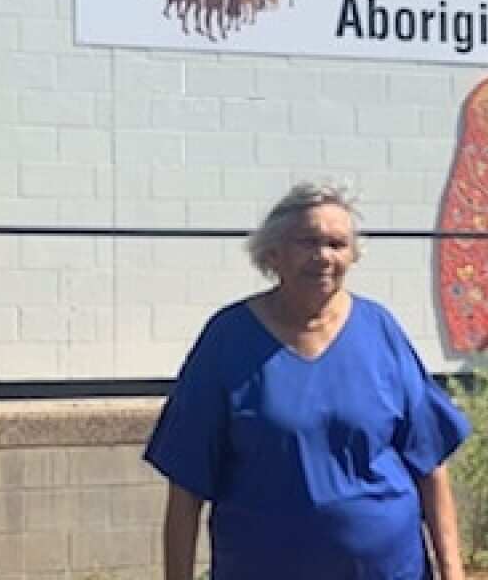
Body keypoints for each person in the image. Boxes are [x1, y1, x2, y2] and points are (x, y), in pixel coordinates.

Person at [145, 182, 471, 580]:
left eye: (337, 244)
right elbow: (185, 487)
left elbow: (429, 465)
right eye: (308, 242)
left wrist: (452, 571)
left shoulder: (380, 330)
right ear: (273, 253)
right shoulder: (228, 340)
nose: (324, 257)